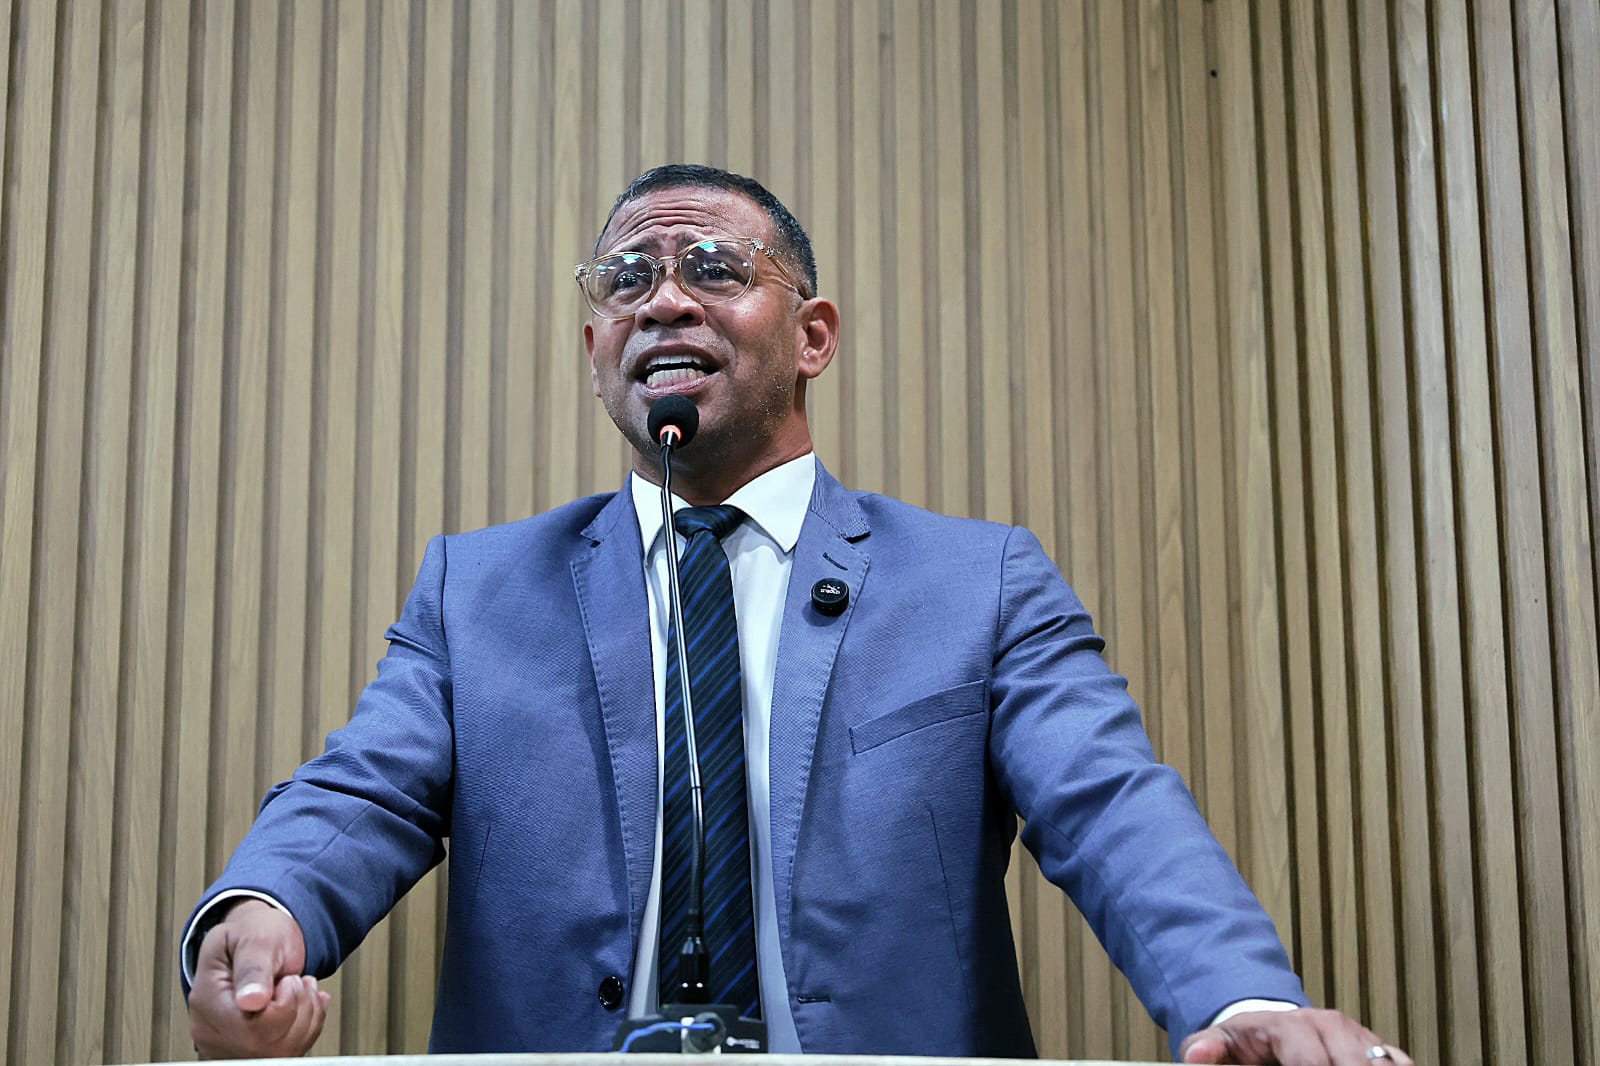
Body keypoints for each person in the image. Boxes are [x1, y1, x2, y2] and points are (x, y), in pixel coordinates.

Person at [183, 165, 1411, 1065]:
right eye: (628, 279)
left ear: (813, 335)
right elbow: (364, 791)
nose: (664, 301)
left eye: (714, 269)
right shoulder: (479, 588)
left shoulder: (976, 583)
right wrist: (264, 909)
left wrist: (1242, 999)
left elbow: (1110, 805)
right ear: (597, 345)